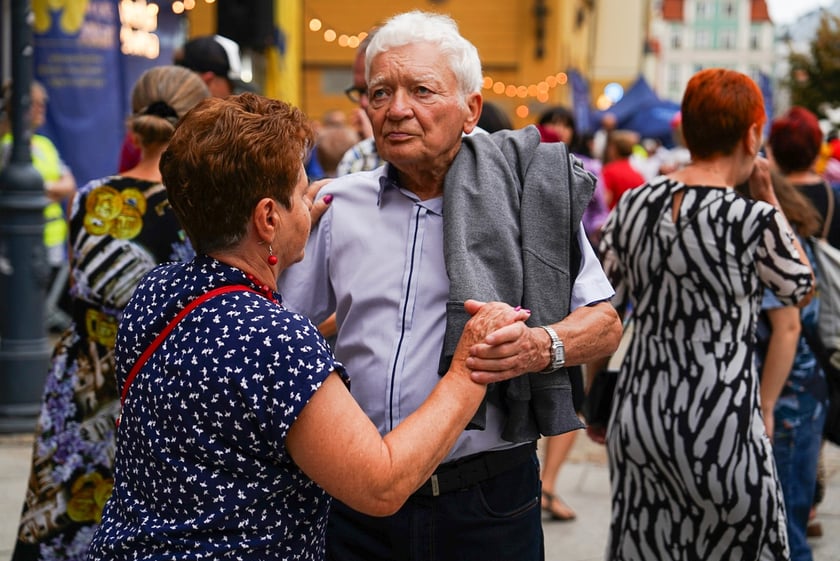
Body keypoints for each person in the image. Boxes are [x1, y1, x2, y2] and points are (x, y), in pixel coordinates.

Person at [87, 91, 528, 560]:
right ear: (268, 217)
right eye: (301, 194)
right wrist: (466, 369)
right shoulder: (278, 342)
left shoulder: (156, 291)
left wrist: (288, 233)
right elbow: (380, 485)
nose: (312, 202)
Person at [279, 10, 622, 560]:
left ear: (471, 109)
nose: (396, 110)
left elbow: (604, 324)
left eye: (421, 90)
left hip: (488, 501)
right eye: (380, 92)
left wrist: (539, 347)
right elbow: (281, 328)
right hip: (355, 502)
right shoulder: (336, 207)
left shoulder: (527, 196)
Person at [591, 67, 815, 561]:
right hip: (722, 418)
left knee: (646, 547)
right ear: (752, 134)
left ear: (684, 131)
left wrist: (594, 398)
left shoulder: (632, 207)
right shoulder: (751, 218)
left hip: (641, 413)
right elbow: (800, 285)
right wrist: (771, 197)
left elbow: (603, 310)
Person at [10, 66, 210, 561]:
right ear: (198, 120)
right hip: (159, 387)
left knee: (71, 514)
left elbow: (82, 283)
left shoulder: (90, 197)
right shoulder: (199, 206)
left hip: (83, 379)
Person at [744, 171, 828, 561]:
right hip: (797, 393)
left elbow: (788, 326)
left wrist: (767, 405)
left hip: (788, 397)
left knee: (785, 532)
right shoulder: (781, 228)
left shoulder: (766, 235)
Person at [1, 79, 77, 331]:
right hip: (20, 245)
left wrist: (38, 186)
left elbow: (69, 185)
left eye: (43, 102)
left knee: (44, 311)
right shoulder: (7, 146)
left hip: (53, 240)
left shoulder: (44, 145)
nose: (41, 108)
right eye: (34, 103)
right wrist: (45, 186)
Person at [119, 34, 246, 172]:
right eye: (231, 87)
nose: (232, 96)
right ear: (208, 80)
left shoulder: (146, 124)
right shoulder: (218, 139)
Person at [335, 28, 383, 177]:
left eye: (378, 92)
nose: (363, 103)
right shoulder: (357, 159)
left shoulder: (455, 164)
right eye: (360, 91)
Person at [601, 129, 646, 209]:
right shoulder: (638, 175)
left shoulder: (609, 171)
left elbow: (605, 200)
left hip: (613, 218)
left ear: (614, 149)